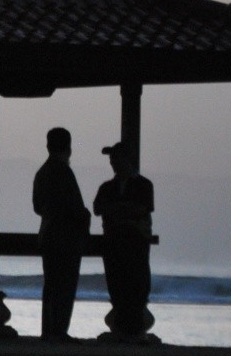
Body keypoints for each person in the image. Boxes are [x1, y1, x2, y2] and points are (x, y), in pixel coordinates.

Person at [31, 127, 90, 340]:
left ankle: (49, 329)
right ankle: (59, 330)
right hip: (67, 238)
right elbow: (75, 207)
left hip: (47, 235)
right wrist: (85, 219)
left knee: (51, 285)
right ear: (68, 148)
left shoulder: (42, 172)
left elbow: (37, 207)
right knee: (65, 286)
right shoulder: (64, 172)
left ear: (48, 146)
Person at [93, 142, 157, 340]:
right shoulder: (108, 186)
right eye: (112, 159)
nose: (113, 163)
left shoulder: (143, 185)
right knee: (117, 286)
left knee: (136, 286)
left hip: (134, 243)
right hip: (114, 244)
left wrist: (116, 210)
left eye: (116, 159)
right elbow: (98, 208)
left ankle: (133, 329)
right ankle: (124, 329)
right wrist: (124, 209)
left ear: (127, 160)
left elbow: (143, 208)